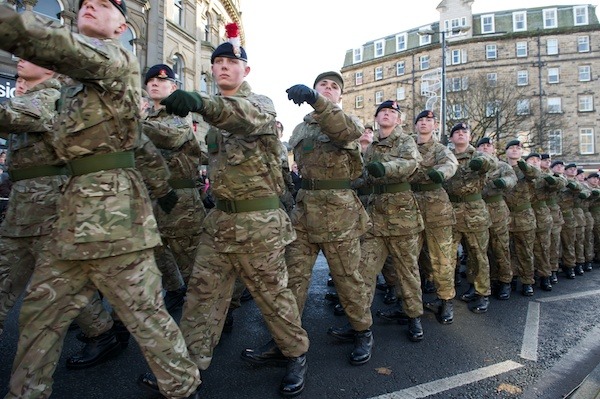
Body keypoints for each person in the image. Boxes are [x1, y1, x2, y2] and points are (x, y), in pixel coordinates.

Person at [0, 1, 202, 398]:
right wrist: (159, 189)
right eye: (86, 3)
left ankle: (181, 387)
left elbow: (60, 47)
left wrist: (163, 194)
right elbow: (140, 143)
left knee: (144, 314)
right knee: (40, 311)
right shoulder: (73, 89)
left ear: (121, 27)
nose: (90, 6)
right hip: (71, 213)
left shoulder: (116, 59)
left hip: (114, 216)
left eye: (103, 5)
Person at [157, 23, 309, 397]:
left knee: (273, 297)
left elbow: (240, 116)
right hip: (220, 222)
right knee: (202, 296)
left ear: (246, 70)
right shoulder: (209, 114)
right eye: (217, 62)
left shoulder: (260, 104)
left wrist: (199, 102)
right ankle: (187, 368)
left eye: (231, 61)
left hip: (259, 226)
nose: (223, 67)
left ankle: (294, 354)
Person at [243, 70, 372, 367]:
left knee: (348, 279)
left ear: (340, 95)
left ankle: (362, 331)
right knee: (293, 279)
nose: (328, 88)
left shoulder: (348, 121)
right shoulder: (300, 130)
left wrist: (317, 100)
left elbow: (343, 131)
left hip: (339, 212)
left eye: (333, 87)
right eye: (321, 85)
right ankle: (284, 340)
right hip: (305, 210)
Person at [0, 60, 65, 337]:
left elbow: (10, 116)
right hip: (22, 207)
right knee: (6, 275)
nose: (20, 60)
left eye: (30, 56)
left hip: (47, 208)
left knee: (58, 282)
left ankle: (102, 330)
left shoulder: (50, 97)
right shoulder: (29, 100)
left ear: (49, 70)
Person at [350, 100, 424, 342]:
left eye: (392, 112)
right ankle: (360, 326)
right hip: (376, 219)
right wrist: (344, 184)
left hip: (402, 217)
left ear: (399, 120)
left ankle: (413, 317)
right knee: (363, 270)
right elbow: (365, 178)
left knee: (407, 271)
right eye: (383, 111)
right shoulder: (371, 148)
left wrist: (386, 168)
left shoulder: (405, 141)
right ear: (376, 118)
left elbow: (410, 164)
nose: (387, 115)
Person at [143, 63, 207, 311]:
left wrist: (130, 124)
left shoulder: (179, 116)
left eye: (162, 81)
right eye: (151, 81)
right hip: (151, 198)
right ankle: (174, 289)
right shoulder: (146, 117)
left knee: (189, 259)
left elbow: (170, 137)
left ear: (174, 87)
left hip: (180, 201)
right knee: (157, 252)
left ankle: (206, 307)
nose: (155, 84)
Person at [405, 110, 458, 324]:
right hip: (409, 205)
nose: (424, 123)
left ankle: (446, 300)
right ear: (415, 125)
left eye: (429, 121)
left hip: (437, 209)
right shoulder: (407, 146)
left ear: (435, 126)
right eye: (421, 120)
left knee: (442, 258)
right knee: (408, 259)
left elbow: (451, 164)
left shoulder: (440, 149)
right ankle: (410, 304)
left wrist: (441, 173)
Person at [443, 123, 497, 314]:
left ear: (470, 137)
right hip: (451, 211)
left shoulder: (479, 155)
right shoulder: (446, 155)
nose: (460, 134)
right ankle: (446, 298)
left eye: (464, 132)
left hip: (475, 212)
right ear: (450, 138)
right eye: (456, 132)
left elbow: (491, 163)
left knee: (478, 255)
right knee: (448, 257)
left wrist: (481, 164)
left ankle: (482, 293)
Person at [477, 137, 517, 300]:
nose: (486, 148)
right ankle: (484, 282)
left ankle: (505, 280)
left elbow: (511, 179)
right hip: (476, 210)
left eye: (489, 146)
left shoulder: (501, 166)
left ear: (493, 149)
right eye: (482, 145)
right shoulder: (474, 167)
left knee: (500, 247)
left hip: (497, 211)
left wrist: (503, 182)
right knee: (479, 251)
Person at [503, 140, 539, 296]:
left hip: (524, 216)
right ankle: (508, 279)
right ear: (506, 152)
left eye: (518, 148)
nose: (515, 150)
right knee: (506, 250)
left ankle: (527, 281)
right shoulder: (501, 168)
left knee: (525, 251)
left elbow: (535, 175)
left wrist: (523, 164)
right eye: (511, 148)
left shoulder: (526, 169)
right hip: (505, 215)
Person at [524, 152, 558, 291]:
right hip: (523, 215)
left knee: (543, 248)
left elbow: (559, 183)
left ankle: (545, 276)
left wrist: (554, 180)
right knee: (525, 249)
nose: (535, 162)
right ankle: (527, 280)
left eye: (538, 160)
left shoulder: (546, 177)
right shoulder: (521, 176)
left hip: (541, 215)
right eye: (532, 160)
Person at [541, 155, 566, 284]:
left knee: (553, 245)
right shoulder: (534, 174)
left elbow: (561, 183)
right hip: (538, 213)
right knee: (541, 246)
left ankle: (553, 270)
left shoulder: (555, 177)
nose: (546, 162)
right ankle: (541, 271)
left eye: (548, 161)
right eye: (544, 160)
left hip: (553, 215)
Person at [553, 160, 578, 279]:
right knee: (554, 244)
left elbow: (578, 190)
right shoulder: (551, 180)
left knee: (569, 243)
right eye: (557, 166)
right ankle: (554, 268)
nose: (559, 168)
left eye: (561, 166)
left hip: (567, 216)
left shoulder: (568, 182)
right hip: (554, 216)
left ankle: (570, 266)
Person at [565, 163, 588, 275]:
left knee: (578, 241)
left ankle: (578, 263)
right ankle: (567, 264)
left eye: (575, 169)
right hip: (562, 215)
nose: (573, 171)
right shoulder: (562, 181)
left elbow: (586, 192)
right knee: (565, 243)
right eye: (570, 169)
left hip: (577, 216)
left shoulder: (580, 184)